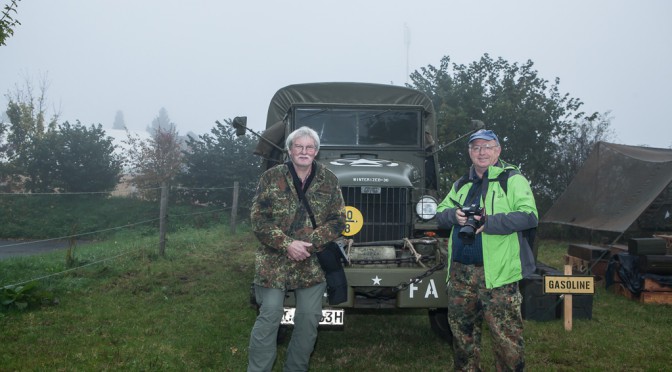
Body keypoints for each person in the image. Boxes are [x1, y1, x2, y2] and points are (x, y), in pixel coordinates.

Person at [436, 129, 538, 371]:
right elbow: (440, 214)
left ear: (498, 150)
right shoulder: (461, 184)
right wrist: (455, 216)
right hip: (461, 275)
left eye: (487, 147)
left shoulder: (512, 179)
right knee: (463, 337)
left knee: (506, 340)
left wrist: (488, 222)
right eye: (476, 148)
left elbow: (529, 216)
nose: (481, 152)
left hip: (498, 276)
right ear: (470, 152)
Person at [247, 126, 346, 372]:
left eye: (309, 147)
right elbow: (258, 220)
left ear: (316, 151)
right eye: (299, 146)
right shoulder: (270, 178)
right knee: (269, 315)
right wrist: (287, 244)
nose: (304, 151)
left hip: (311, 262)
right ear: (290, 150)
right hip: (274, 260)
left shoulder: (329, 180)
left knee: (309, 320)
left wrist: (309, 244)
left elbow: (338, 220)